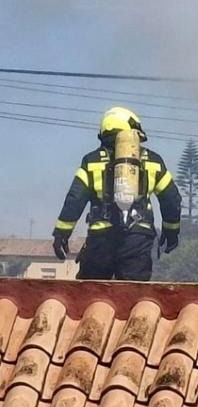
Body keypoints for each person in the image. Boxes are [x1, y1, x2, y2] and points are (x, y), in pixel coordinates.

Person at [52, 107, 183, 281]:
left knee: (93, 296)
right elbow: (171, 199)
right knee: (132, 296)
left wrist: (62, 233)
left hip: (101, 239)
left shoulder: (91, 161)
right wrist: (171, 230)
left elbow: (75, 199)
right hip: (137, 237)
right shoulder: (153, 161)